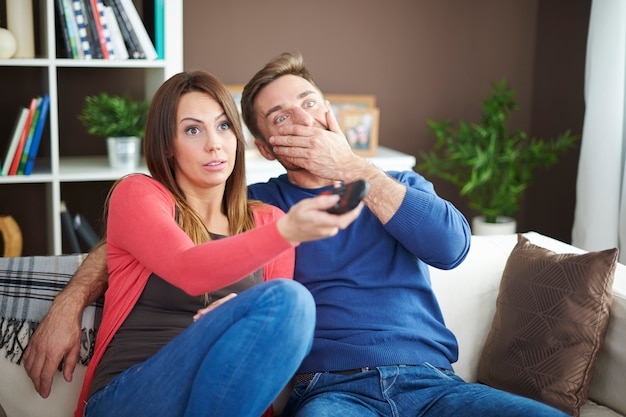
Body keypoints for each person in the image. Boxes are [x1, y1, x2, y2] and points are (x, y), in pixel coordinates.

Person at [24, 53, 568, 417]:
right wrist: (70, 297)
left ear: (330, 113)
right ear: (265, 147)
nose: (302, 120)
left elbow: (453, 248)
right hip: (332, 392)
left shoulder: (397, 184)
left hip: (435, 384)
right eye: (280, 118)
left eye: (309, 103)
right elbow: (160, 242)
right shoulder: (268, 210)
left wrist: (356, 169)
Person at [39, 69, 361, 417]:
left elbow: (273, 345)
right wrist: (287, 236)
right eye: (193, 130)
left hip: (221, 400)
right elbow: (188, 267)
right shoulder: (138, 194)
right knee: (290, 298)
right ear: (167, 146)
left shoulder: (268, 220)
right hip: (132, 394)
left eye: (224, 126)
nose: (214, 143)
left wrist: (234, 318)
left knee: (293, 306)